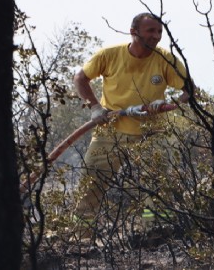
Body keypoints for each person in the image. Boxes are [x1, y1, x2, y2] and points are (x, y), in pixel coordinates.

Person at [72, 12, 192, 242]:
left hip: (151, 133)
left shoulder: (165, 59)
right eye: (150, 31)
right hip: (110, 132)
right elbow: (80, 78)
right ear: (134, 32)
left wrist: (169, 104)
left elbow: (189, 90)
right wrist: (95, 108)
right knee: (91, 184)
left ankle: (155, 234)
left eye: (159, 31)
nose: (156, 36)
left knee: (157, 187)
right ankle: (81, 239)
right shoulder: (110, 55)